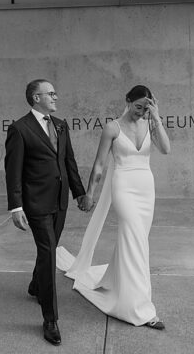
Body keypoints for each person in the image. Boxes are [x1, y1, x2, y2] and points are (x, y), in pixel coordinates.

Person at [57, 85, 171, 330]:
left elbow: (166, 149)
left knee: (136, 242)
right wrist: (89, 194)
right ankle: (140, 309)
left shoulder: (151, 124)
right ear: (127, 101)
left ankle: (119, 287)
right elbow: (99, 165)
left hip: (145, 188)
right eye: (138, 106)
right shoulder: (112, 127)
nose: (141, 112)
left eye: (146, 107)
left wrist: (157, 118)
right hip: (124, 187)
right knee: (135, 241)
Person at [4, 79, 88, 346]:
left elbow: (69, 162)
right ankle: (50, 319)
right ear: (35, 98)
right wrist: (16, 206)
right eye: (50, 94)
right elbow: (13, 170)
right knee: (49, 252)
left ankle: (34, 284)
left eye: (55, 93)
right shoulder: (19, 128)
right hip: (36, 203)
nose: (56, 97)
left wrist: (80, 193)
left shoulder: (61, 125)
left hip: (60, 201)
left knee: (48, 248)